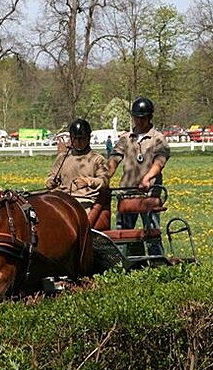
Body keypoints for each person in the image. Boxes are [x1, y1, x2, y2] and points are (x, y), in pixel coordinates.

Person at [107, 96, 170, 255]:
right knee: (124, 234)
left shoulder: (158, 139)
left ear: (149, 117)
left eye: (143, 118)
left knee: (152, 233)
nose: (139, 121)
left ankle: (157, 262)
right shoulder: (127, 138)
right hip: (127, 194)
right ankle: (127, 263)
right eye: (136, 118)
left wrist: (148, 178)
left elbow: (159, 162)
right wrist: (105, 177)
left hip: (148, 194)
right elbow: (114, 158)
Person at [45, 119, 110, 214]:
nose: (78, 142)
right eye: (75, 139)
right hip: (62, 199)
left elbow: (104, 181)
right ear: (71, 138)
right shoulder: (63, 157)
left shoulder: (97, 159)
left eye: (82, 139)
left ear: (88, 138)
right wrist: (50, 181)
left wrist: (88, 181)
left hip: (84, 201)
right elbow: (52, 175)